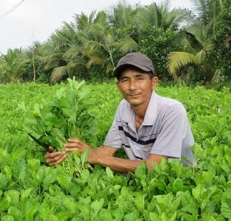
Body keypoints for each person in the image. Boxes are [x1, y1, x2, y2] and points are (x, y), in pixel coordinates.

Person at [45, 52, 195, 173]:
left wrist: (95, 157)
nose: (132, 86)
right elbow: (107, 151)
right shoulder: (124, 107)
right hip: (140, 180)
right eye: (125, 80)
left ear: (154, 82)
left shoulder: (172, 110)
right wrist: (68, 155)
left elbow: (154, 167)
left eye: (139, 78)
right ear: (118, 86)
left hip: (180, 183)